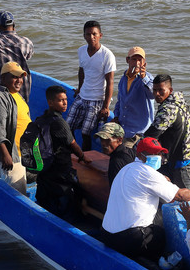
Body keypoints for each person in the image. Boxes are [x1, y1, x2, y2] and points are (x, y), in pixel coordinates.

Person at [101, 137, 190, 262]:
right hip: (128, 239)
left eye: (159, 153)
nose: (158, 156)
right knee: (160, 234)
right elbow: (180, 196)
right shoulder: (147, 173)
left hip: (107, 235)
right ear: (140, 155)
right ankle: (156, 265)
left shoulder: (127, 168)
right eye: (153, 153)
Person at [33, 85, 92, 220]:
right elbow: (72, 144)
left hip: (44, 169)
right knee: (66, 200)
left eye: (65, 99)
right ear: (50, 102)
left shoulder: (40, 119)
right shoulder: (59, 122)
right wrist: (83, 157)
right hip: (59, 170)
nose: (65, 103)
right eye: (60, 100)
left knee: (48, 199)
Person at [145, 74, 190, 190]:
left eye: (161, 90)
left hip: (181, 162)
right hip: (188, 157)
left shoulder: (168, 110)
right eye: (154, 90)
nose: (157, 94)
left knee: (187, 198)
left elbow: (151, 135)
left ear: (170, 90)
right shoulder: (180, 102)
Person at [65, 20, 116, 151]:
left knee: (85, 133)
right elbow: (81, 71)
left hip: (97, 100)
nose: (91, 37)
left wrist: (106, 106)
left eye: (94, 34)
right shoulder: (81, 51)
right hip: (82, 96)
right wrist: (79, 88)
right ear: (84, 36)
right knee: (67, 126)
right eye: (88, 34)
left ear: (100, 35)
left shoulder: (107, 55)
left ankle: (85, 158)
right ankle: (69, 154)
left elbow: (110, 82)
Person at [0, 61, 29, 194]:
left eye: (20, 77)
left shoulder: (16, 94)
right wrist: (6, 155)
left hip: (22, 154)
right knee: (17, 194)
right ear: (3, 78)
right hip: (11, 156)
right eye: (14, 76)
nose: (19, 80)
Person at [0, 11, 34, 101]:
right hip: (23, 88)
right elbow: (28, 57)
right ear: (14, 25)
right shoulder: (27, 42)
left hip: (3, 92)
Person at [113, 46, 154, 143]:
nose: (137, 63)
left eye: (140, 60)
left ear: (144, 62)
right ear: (128, 60)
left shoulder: (148, 78)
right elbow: (120, 102)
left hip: (139, 131)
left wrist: (144, 78)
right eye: (134, 59)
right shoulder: (124, 79)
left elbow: (153, 95)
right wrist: (116, 117)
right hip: (124, 129)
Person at [94, 121, 134, 185]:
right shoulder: (129, 151)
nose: (103, 143)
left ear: (119, 140)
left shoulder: (116, 162)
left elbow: (116, 188)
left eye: (107, 140)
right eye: (101, 139)